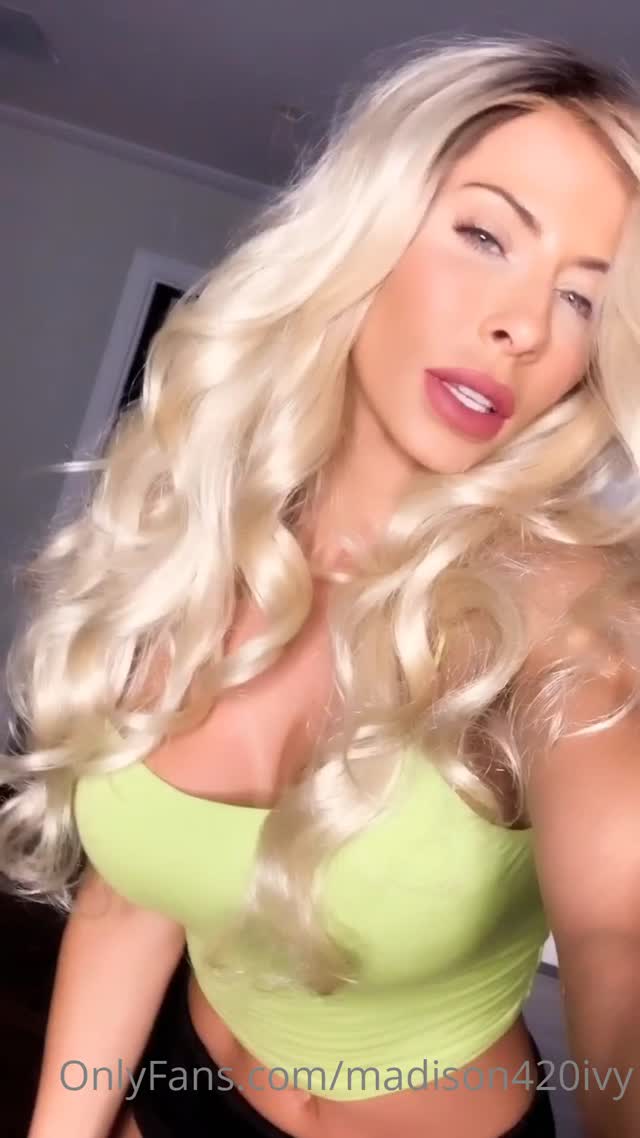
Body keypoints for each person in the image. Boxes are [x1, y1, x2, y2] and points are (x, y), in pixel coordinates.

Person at [3, 32, 640, 1138]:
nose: (525, 326)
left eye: (583, 299)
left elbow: (617, 936)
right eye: (485, 235)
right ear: (367, 230)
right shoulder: (191, 532)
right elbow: (135, 893)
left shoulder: (566, 610)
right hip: (182, 1085)